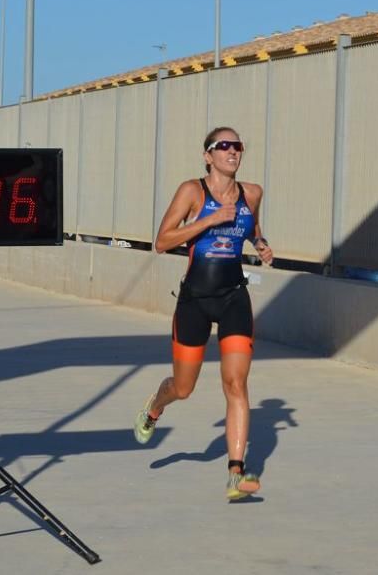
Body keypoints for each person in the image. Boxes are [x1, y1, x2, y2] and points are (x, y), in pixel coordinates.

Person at [134, 126, 273, 501]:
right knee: (184, 387)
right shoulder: (192, 192)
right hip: (195, 299)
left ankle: (236, 474)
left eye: (237, 146)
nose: (232, 151)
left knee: (236, 384)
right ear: (207, 155)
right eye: (223, 146)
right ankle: (154, 406)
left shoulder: (252, 193)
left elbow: (251, 227)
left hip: (233, 299)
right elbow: (161, 242)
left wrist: (259, 242)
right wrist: (207, 221)